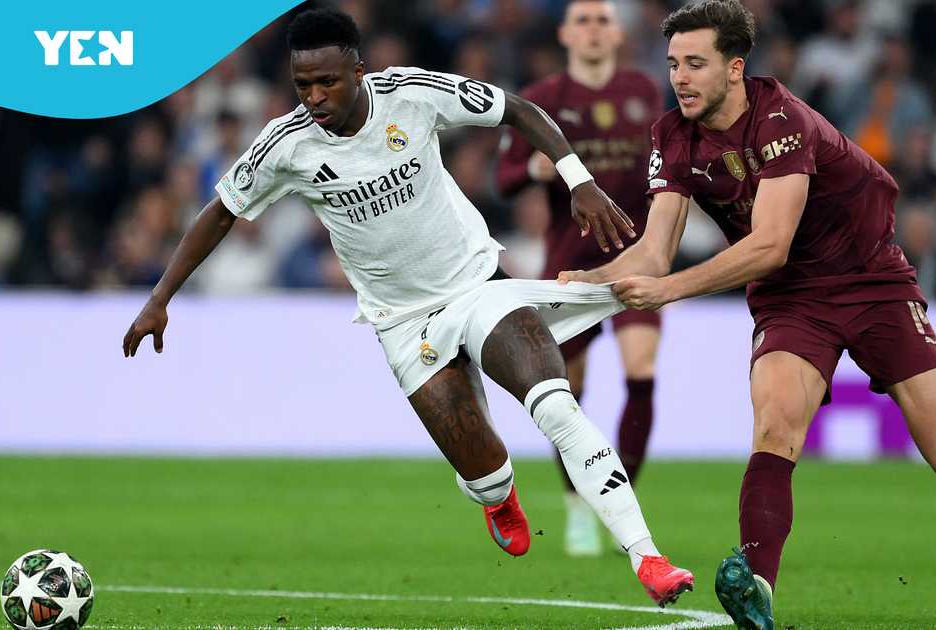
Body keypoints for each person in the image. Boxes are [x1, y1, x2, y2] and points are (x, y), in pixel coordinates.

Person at [121, 7, 694, 607]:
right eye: (302, 85)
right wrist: (160, 298)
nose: (314, 97)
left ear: (358, 70)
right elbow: (220, 212)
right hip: (402, 322)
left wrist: (579, 180)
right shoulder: (286, 145)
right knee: (486, 470)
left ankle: (648, 558)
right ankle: (497, 495)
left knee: (555, 407)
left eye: (327, 82)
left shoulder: (413, 93)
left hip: (478, 285)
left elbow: (518, 109)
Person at [558, 1, 936, 627]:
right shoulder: (672, 134)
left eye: (696, 63)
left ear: (734, 69)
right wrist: (582, 284)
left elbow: (768, 243)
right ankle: (757, 585)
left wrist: (666, 292)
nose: (680, 78)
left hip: (871, 279)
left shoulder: (782, 120)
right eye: (673, 64)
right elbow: (653, 250)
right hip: (790, 298)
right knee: (775, 425)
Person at [496, 0, 664, 557]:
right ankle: (576, 508)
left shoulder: (646, 91)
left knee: (642, 374)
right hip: (568, 267)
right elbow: (504, 178)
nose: (593, 29)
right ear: (566, 33)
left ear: (618, 33)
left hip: (637, 260)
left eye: (603, 19)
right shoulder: (542, 99)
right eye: (583, 19)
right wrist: (537, 168)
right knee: (569, 393)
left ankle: (622, 505)